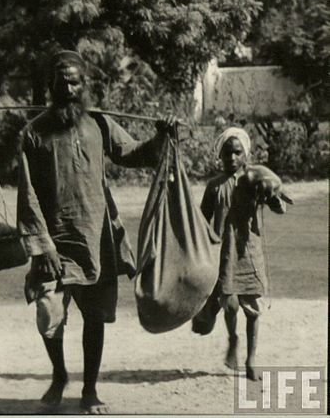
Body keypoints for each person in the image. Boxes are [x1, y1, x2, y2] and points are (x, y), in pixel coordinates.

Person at [17, 49, 174, 413]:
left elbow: (135, 153)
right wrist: (42, 247)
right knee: (48, 313)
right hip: (53, 243)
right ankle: (59, 375)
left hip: (96, 238)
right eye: (62, 80)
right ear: (51, 84)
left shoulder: (100, 124)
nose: (68, 87)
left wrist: (161, 135)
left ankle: (89, 390)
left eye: (75, 81)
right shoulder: (33, 133)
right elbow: (27, 195)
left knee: (95, 318)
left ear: (84, 84)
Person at [200, 127, 287, 381]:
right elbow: (201, 220)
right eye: (227, 153)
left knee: (252, 309)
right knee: (230, 305)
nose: (232, 158)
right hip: (224, 254)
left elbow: (279, 208)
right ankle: (232, 338)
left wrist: (272, 197)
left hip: (249, 252)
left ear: (245, 154)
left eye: (237, 153)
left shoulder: (254, 180)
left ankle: (251, 360)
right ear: (220, 156)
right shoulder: (214, 186)